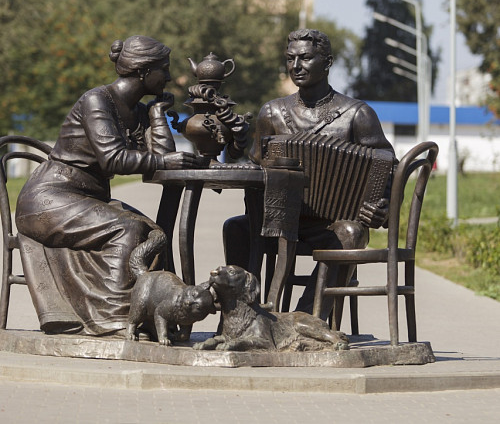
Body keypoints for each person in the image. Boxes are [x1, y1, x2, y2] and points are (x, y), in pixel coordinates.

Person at [15, 35, 200, 336]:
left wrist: (157, 115)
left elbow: (163, 158)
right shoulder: (96, 101)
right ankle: (113, 318)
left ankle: (145, 314)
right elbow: (114, 159)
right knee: (126, 228)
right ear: (143, 71)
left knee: (153, 233)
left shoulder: (139, 112)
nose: (167, 77)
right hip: (49, 197)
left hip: (87, 199)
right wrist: (164, 161)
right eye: (163, 69)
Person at [223, 28, 395, 319]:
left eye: (305, 58)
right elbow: (255, 168)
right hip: (279, 220)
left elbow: (387, 166)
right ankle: (241, 316)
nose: (296, 66)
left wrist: (383, 205)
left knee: (350, 234)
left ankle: (304, 321)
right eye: (290, 59)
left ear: (327, 62)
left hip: (329, 224)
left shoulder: (357, 114)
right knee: (235, 228)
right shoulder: (272, 113)